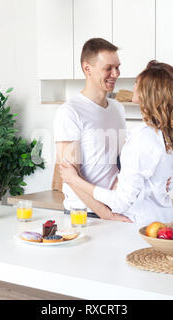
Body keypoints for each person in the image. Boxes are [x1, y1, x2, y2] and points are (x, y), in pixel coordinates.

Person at [59, 61, 173, 226]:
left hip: (140, 227)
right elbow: (167, 184)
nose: (134, 85)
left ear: (149, 93)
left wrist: (75, 180)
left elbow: (120, 203)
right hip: (164, 220)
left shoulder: (141, 139)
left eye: (137, 82)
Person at [53, 38, 129, 222]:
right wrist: (105, 213)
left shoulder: (117, 108)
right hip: (84, 214)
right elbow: (70, 176)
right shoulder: (70, 112)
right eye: (108, 68)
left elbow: (120, 163)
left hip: (115, 208)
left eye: (117, 67)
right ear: (87, 68)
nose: (115, 74)